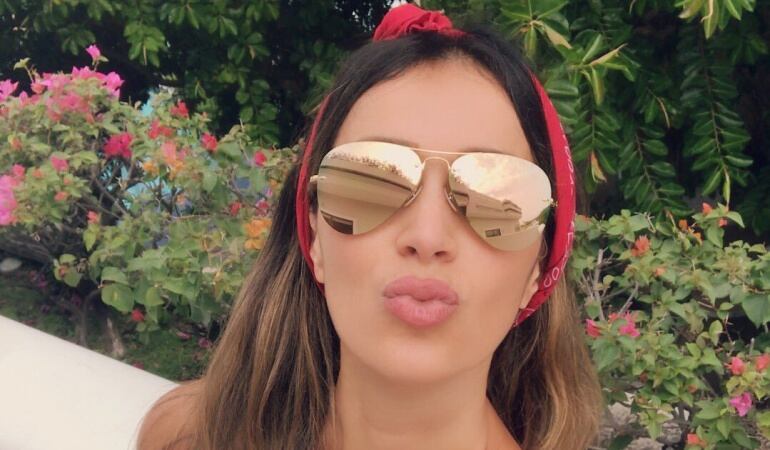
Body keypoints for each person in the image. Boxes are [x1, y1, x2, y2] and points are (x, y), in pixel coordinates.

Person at [137, 4, 603, 450]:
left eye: (495, 195)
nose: (427, 237)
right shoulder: (184, 436)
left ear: (538, 268)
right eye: (369, 179)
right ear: (314, 236)